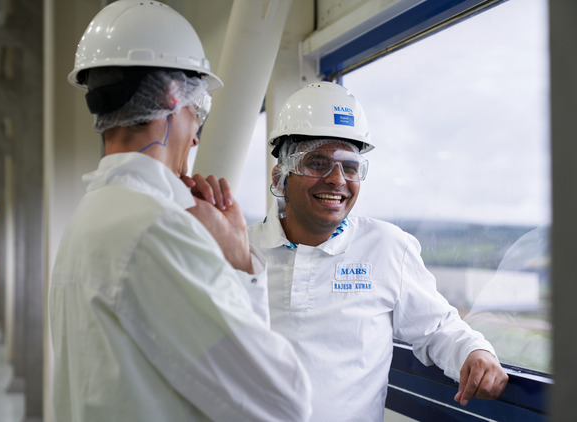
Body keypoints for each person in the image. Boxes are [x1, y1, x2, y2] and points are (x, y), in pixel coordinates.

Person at [48, 1, 311, 421]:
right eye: (197, 113)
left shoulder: (90, 216)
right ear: (172, 99)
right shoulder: (155, 230)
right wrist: (237, 257)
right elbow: (282, 401)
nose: (194, 139)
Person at [197, 81, 509, 421]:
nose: (337, 180)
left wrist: (476, 352)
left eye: (350, 166)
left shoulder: (387, 248)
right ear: (280, 175)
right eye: (317, 163)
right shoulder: (239, 248)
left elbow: (439, 328)